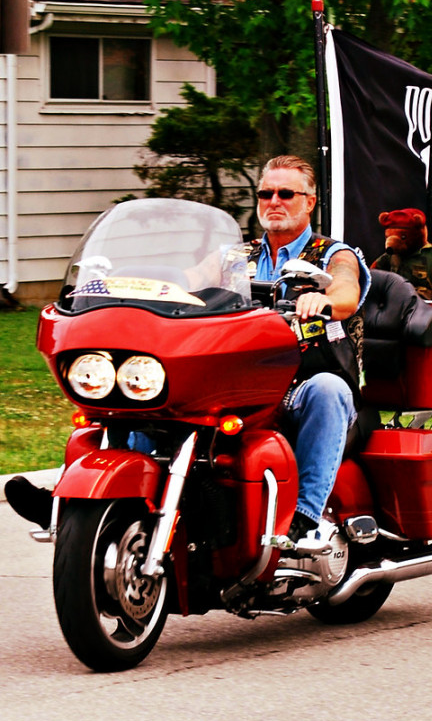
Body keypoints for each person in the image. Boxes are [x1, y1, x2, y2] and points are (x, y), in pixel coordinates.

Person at [5, 155, 370, 551]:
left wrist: (321, 297)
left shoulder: (333, 253)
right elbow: (184, 285)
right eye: (266, 193)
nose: (274, 201)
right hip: (238, 383)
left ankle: (303, 518)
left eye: (286, 193)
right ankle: (74, 501)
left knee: (328, 391)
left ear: (310, 201)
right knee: (146, 397)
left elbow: (347, 292)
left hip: (295, 383)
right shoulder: (235, 257)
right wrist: (124, 287)